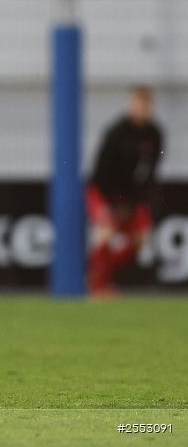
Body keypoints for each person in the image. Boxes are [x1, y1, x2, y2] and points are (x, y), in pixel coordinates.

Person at [86, 86, 164, 297]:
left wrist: (136, 203)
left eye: (145, 105)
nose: (141, 109)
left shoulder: (155, 134)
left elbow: (150, 173)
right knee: (105, 232)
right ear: (130, 105)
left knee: (141, 238)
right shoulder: (116, 133)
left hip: (131, 196)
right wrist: (115, 204)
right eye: (137, 104)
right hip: (103, 192)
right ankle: (98, 286)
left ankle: (100, 274)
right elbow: (102, 173)